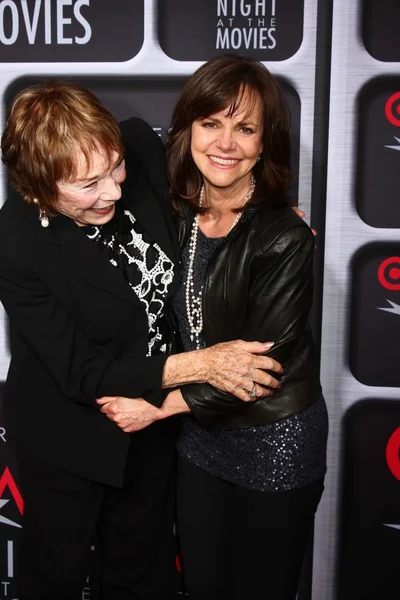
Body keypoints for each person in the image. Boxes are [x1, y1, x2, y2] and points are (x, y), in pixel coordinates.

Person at [0, 81, 285, 600]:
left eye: (115, 169)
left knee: (142, 575)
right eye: (88, 185)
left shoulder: (137, 143)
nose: (111, 190)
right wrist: (202, 365)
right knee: (56, 579)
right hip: (68, 436)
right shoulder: (16, 244)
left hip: (152, 423)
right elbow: (83, 371)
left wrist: (269, 223)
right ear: (40, 188)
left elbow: (215, 182)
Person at [100, 55, 328, 600]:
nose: (226, 143)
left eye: (245, 128)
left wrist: (157, 405)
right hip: (201, 441)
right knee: (201, 586)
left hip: (274, 438)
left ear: (265, 142)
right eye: (211, 123)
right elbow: (113, 140)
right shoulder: (173, 213)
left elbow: (258, 371)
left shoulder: (284, 237)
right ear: (188, 129)